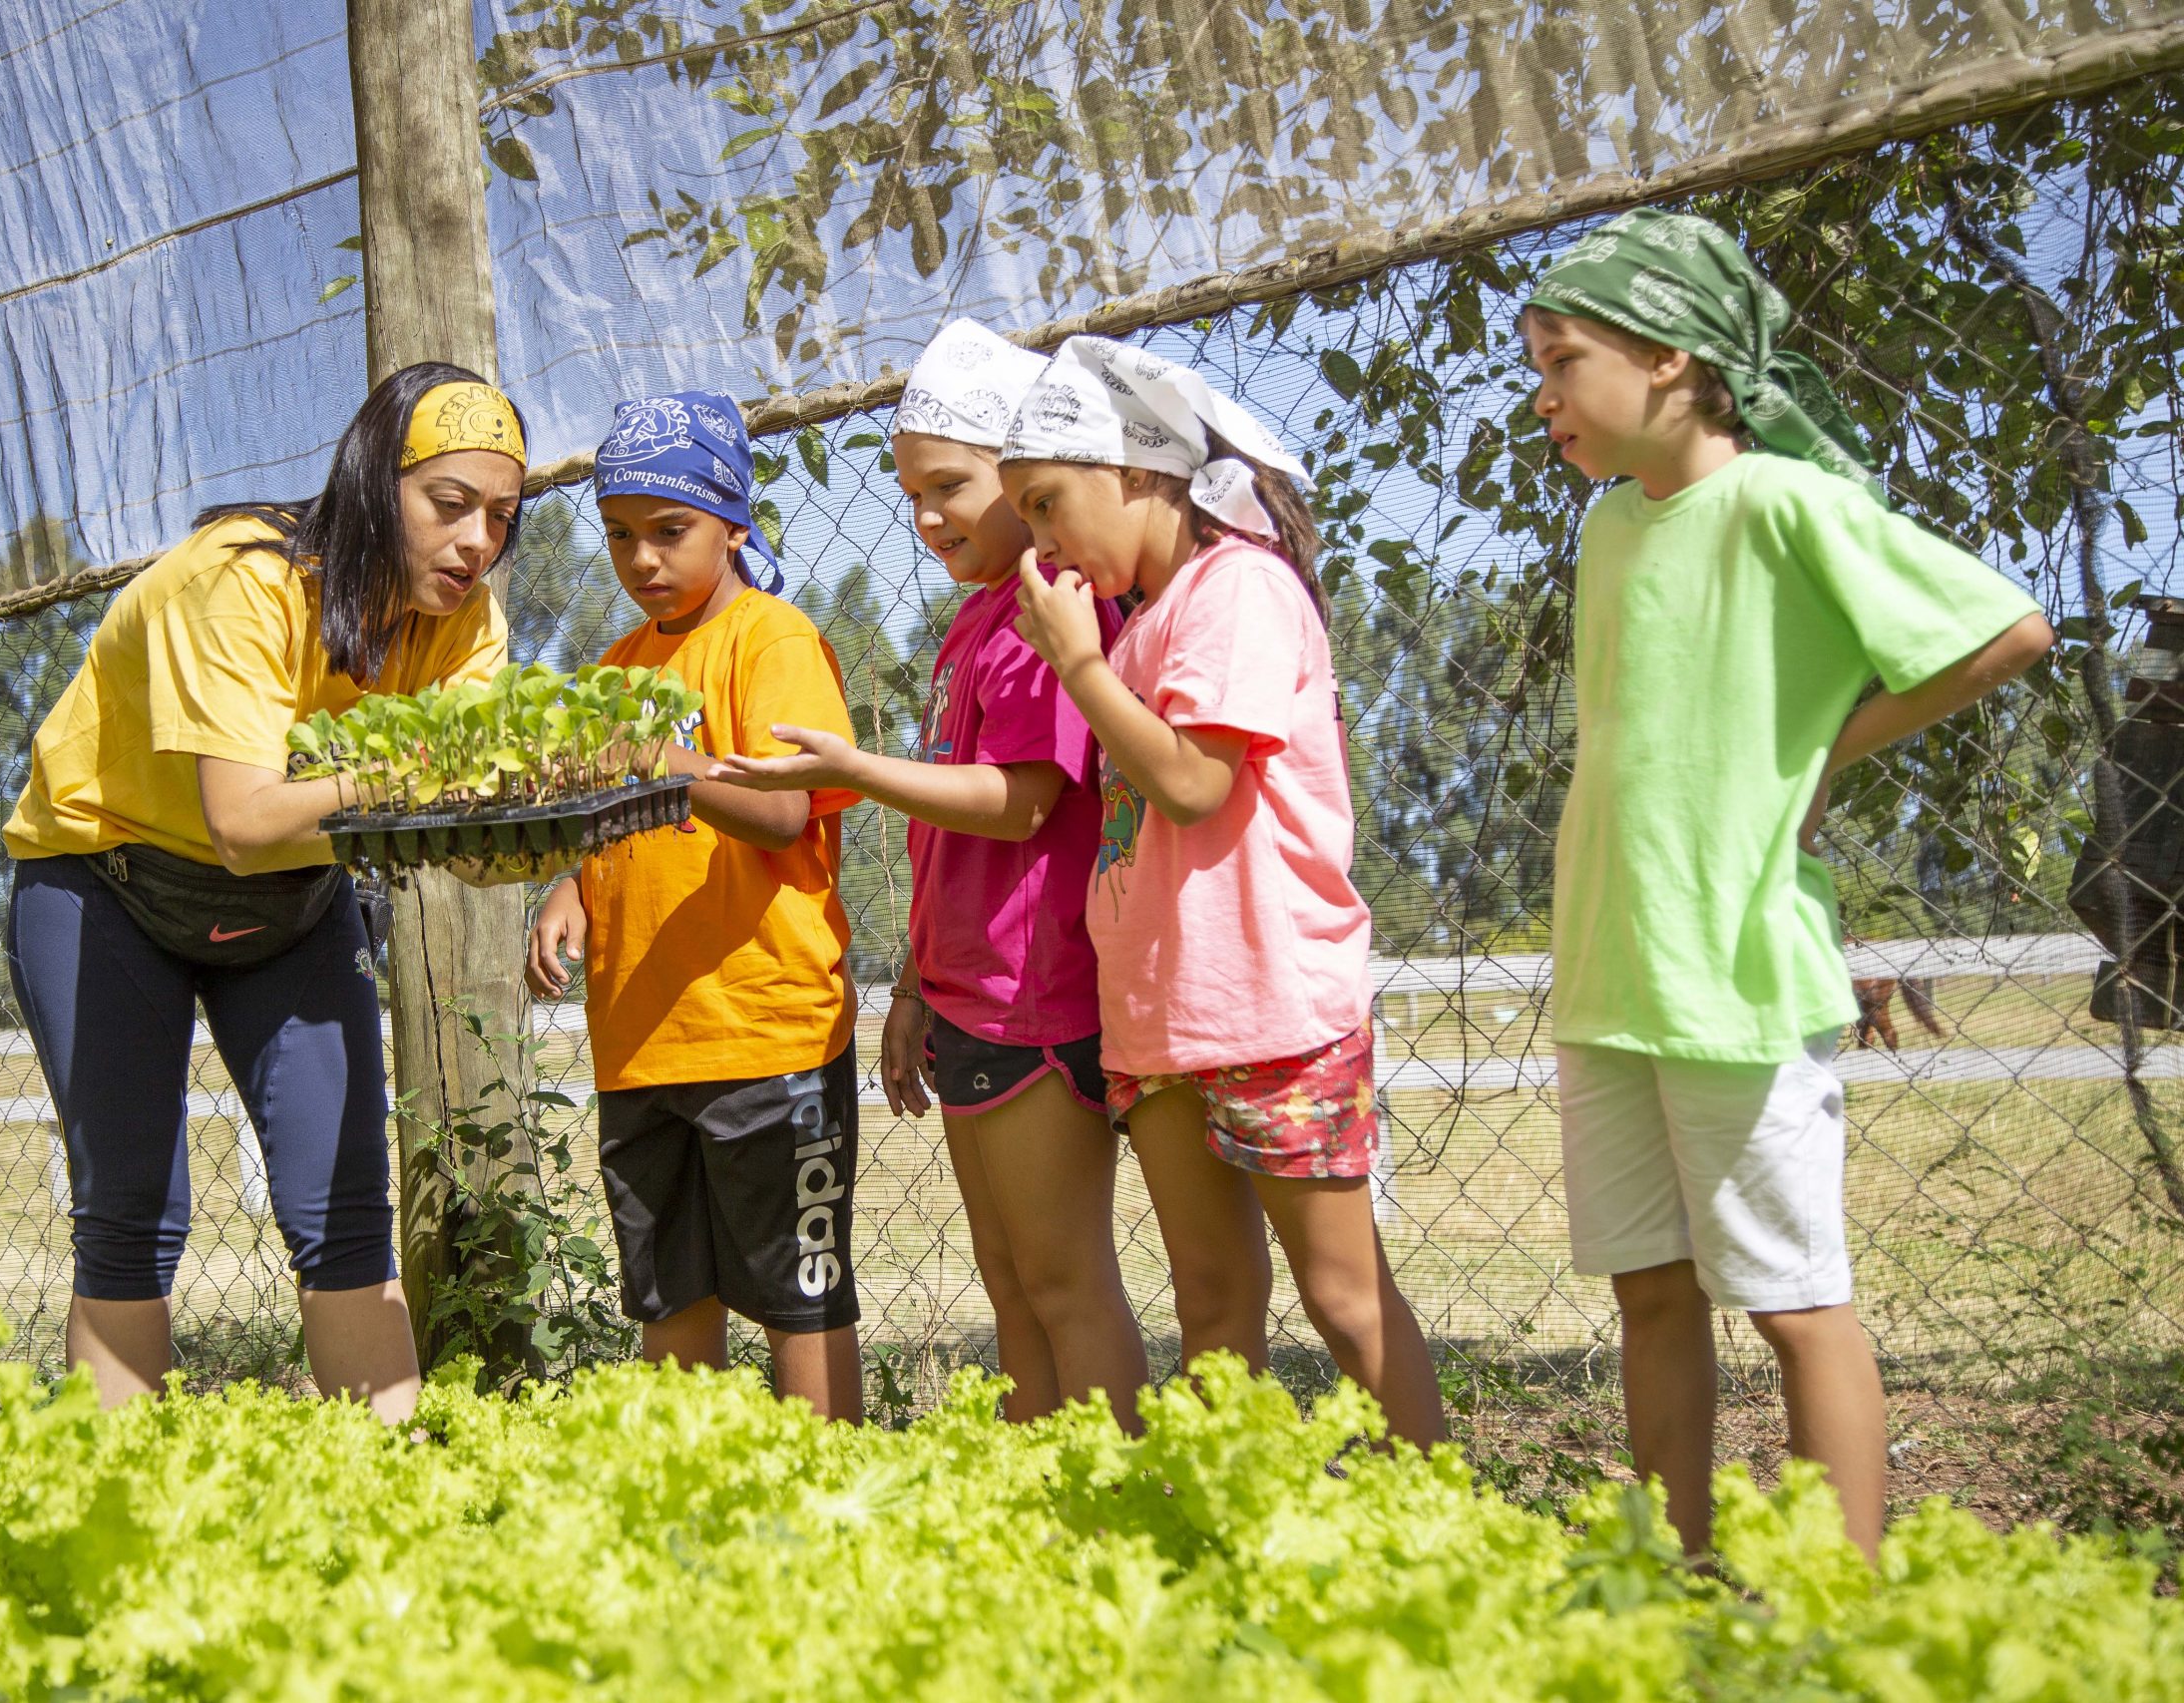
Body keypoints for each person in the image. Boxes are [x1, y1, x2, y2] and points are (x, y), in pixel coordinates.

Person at [1520, 210, 2053, 1558]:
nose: (1544, 393)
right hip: (1609, 969)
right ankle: (1676, 1575)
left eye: (1563, 357)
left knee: (1795, 1301)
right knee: (1650, 1291)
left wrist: (1826, 749)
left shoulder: (1782, 501)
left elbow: (2008, 628)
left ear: (1675, 358)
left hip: (1738, 974)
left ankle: (1842, 1608)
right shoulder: (1604, 531)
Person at [3, 363, 534, 1422]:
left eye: (502, 516)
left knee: (344, 1212)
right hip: (105, 881)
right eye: (449, 504)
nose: (477, 541)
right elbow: (242, 822)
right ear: (378, 484)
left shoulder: (465, 625)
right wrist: (428, 772)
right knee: (131, 1211)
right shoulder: (240, 578)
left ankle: (392, 1509)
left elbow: (464, 836)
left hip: (293, 907)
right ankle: (112, 1508)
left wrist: (543, 825)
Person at [996, 337, 1448, 1449]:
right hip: (1162, 1021)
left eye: (1051, 506)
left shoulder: (1235, 587)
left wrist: (1080, 668)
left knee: (1342, 1300)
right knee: (1211, 1306)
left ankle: (1438, 1516)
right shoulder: (1144, 623)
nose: (1042, 543)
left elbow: (1196, 783)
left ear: (1143, 472)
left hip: (1272, 1008)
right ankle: (1224, 1533)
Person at [709, 320, 1149, 1429]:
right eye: (911, 493)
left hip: (1036, 995)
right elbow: (946, 841)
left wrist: (858, 766)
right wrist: (912, 988)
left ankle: (1126, 1498)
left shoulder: (1051, 610)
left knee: (1062, 1282)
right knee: (1010, 1285)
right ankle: (1038, 1505)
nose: (925, 518)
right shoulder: (971, 628)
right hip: (965, 996)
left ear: (1024, 475)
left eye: (950, 486)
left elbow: (1023, 803)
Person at [524, 390, 866, 1422]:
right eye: (620, 536)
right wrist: (567, 886)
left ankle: (833, 1508)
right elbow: (606, 822)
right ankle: (693, 1512)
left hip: (765, 1036)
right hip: (640, 1045)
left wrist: (654, 755)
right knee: (670, 1300)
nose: (641, 561)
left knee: (799, 1300)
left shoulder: (771, 640)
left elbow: (784, 810)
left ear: (731, 522)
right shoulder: (615, 669)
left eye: (668, 531)